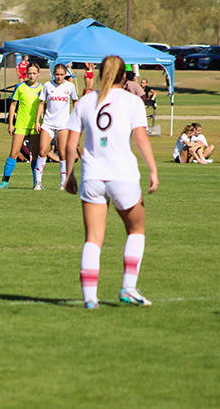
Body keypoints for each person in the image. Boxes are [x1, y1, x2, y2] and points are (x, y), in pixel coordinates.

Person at [64, 55, 159, 310]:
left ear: (98, 74)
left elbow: (71, 143)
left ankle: (90, 299)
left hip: (92, 177)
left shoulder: (85, 101)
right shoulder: (131, 101)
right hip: (123, 177)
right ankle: (128, 287)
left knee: (93, 238)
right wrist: (153, 170)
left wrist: (68, 174)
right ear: (125, 76)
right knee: (136, 230)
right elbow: (141, 138)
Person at [0, 63, 43, 189]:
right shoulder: (20, 87)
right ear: (26, 73)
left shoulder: (42, 88)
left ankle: (36, 183)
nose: (31, 76)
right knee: (14, 153)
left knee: (35, 154)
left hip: (35, 125)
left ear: (38, 73)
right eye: (29, 73)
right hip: (21, 123)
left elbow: (44, 106)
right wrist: (10, 124)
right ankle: (5, 182)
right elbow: (13, 106)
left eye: (34, 73)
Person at [33, 63, 78, 191]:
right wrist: (38, 121)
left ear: (65, 74)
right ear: (53, 74)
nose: (59, 77)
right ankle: (38, 183)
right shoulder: (47, 85)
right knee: (42, 152)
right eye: (57, 74)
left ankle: (63, 184)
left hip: (63, 124)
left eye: (61, 75)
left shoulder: (70, 86)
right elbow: (41, 103)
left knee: (63, 153)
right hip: (47, 123)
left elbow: (75, 101)